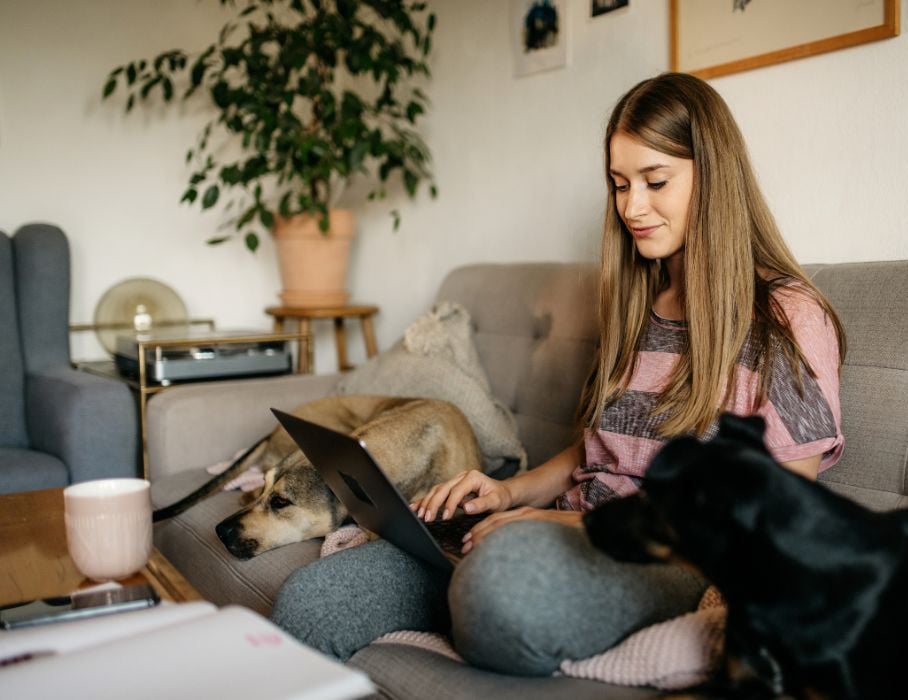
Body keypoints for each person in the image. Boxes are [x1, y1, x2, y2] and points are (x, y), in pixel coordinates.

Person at [271, 72, 846, 677]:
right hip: (557, 536)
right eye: (620, 185)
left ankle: (489, 583)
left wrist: (561, 524)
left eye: (656, 181)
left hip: (663, 558)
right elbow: (593, 455)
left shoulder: (787, 318)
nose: (632, 207)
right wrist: (507, 494)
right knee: (312, 605)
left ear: (716, 175)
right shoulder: (639, 303)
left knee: (500, 588)